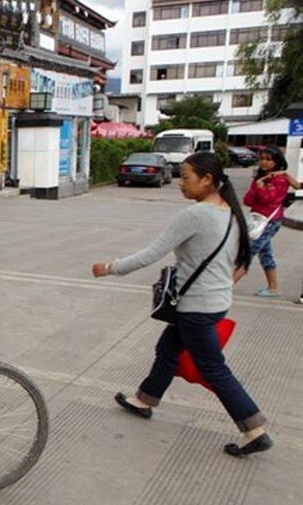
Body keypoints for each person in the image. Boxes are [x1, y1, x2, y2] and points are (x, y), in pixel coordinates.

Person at [91, 152, 272, 457]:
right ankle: (145, 399)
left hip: (196, 307)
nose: (180, 183)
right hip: (214, 302)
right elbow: (241, 263)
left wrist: (111, 267)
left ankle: (254, 428)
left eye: (186, 177)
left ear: (207, 180)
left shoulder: (195, 215)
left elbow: (152, 252)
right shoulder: (231, 213)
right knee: (168, 350)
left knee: (213, 368)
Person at [238, 147, 291, 297]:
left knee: (247, 253)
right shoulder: (259, 178)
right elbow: (248, 200)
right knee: (265, 254)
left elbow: (269, 200)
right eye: (261, 159)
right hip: (257, 220)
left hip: (269, 221)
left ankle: (226, 286)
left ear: (277, 161)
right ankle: (273, 288)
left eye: (268, 159)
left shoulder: (280, 179)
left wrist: (260, 186)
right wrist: (259, 184)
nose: (264, 162)